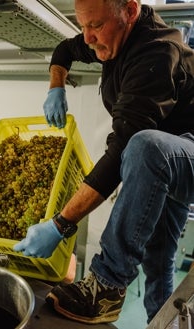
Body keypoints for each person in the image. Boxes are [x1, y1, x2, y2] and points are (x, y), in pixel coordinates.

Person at [14, 0, 194, 325]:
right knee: (158, 262)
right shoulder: (109, 37)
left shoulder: (156, 52)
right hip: (165, 162)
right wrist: (56, 86)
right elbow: (64, 50)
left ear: (130, 10)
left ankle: (107, 285)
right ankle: (163, 323)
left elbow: (125, 148)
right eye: (83, 25)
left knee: (145, 146)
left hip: (181, 153)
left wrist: (61, 224)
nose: (87, 36)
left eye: (95, 26)